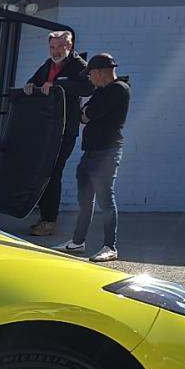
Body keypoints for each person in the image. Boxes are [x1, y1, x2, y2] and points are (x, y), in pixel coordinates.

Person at [60, 52, 129, 262]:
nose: (89, 78)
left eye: (90, 73)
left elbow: (88, 114)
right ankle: (77, 242)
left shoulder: (118, 90)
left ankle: (110, 247)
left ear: (100, 72)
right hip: (91, 152)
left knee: (106, 200)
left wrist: (87, 112)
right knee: (85, 200)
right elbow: (84, 115)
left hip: (106, 153)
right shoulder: (101, 91)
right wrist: (87, 112)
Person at [22, 30, 89, 236]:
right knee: (41, 172)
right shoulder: (47, 65)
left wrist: (58, 84)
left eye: (60, 47)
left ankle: (50, 221)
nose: (56, 51)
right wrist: (30, 85)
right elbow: (35, 80)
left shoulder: (79, 66)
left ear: (69, 46)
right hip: (45, 129)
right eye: (52, 47)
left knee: (53, 173)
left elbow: (87, 87)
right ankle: (43, 216)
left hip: (64, 131)